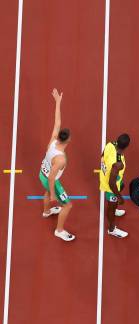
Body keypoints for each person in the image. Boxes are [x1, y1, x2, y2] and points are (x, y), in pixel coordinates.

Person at [39, 88, 75, 241]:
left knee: (46, 192)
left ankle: (46, 212)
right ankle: (59, 230)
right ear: (67, 140)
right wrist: (54, 193)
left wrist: (58, 102)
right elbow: (53, 178)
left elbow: (57, 122)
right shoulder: (61, 159)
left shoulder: (53, 140)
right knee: (68, 205)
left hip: (42, 173)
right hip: (49, 178)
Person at [100, 134, 130, 238]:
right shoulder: (118, 164)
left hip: (111, 179)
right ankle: (112, 229)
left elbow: (102, 156)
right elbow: (111, 183)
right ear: (127, 146)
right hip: (111, 188)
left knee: (121, 187)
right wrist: (119, 197)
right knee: (111, 208)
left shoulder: (110, 144)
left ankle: (115, 210)